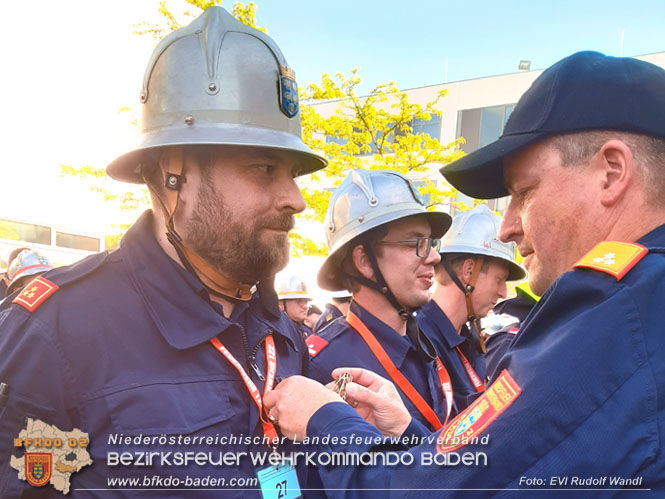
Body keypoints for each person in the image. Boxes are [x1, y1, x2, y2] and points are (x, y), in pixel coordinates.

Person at [264, 51, 665, 495]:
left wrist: (324, 421)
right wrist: (410, 438)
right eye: (414, 244)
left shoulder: (618, 314)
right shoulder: (637, 304)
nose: (509, 225)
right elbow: (492, 475)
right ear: (363, 261)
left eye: (524, 192)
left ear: (612, 173)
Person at [0, 7, 327, 497]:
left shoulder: (280, 329)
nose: (295, 199)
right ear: (174, 172)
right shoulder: (58, 333)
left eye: (294, 175)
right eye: (263, 168)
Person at [305, 169, 455, 431]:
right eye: (416, 243)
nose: (434, 257)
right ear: (365, 261)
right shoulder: (326, 365)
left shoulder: (424, 343)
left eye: (431, 243)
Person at [416, 205, 525, 410]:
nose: (503, 292)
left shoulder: (470, 340)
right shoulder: (420, 343)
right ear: (468, 271)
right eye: (499, 280)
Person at [277, 273, 314, 337]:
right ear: (281, 304)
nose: (305, 307)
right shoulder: (276, 333)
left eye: (306, 301)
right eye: (299, 300)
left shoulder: (308, 332)